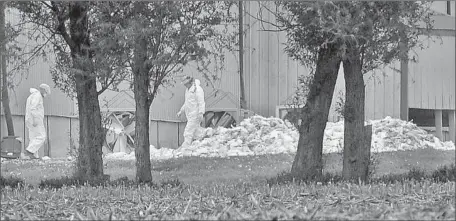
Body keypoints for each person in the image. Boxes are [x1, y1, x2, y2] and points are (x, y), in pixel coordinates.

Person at [23, 83, 51, 160]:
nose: (45, 94)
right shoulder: (37, 96)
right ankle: (29, 151)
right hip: (35, 119)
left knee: (33, 137)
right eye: (45, 92)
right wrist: (35, 118)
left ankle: (34, 155)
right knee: (42, 136)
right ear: (43, 90)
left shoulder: (32, 96)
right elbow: (33, 107)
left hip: (30, 119)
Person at [177, 76, 205, 149]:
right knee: (196, 132)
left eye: (185, 84)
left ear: (190, 83)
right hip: (189, 114)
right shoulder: (188, 90)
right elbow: (187, 102)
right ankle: (202, 144)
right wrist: (181, 111)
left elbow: (201, 102)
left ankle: (185, 147)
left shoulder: (197, 90)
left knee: (188, 131)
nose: (184, 85)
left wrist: (201, 113)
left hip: (195, 114)